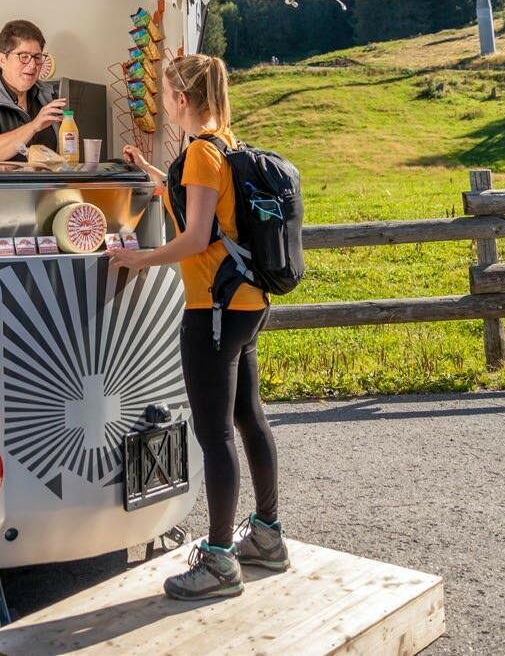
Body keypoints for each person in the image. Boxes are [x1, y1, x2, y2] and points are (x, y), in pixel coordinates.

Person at [108, 54, 288, 601]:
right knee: (248, 418)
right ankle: (267, 537)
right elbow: (206, 210)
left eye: (166, 94)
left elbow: (196, 238)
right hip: (247, 303)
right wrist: (153, 173)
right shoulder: (221, 144)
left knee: (214, 437)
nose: (164, 101)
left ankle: (218, 563)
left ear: (181, 99)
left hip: (212, 309)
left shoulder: (200, 155)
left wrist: (138, 260)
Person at [0, 19, 66, 163]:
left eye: (37, 57)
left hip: (43, 185)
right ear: (2, 59)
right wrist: (34, 125)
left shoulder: (47, 97)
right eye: (24, 56)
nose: (33, 65)